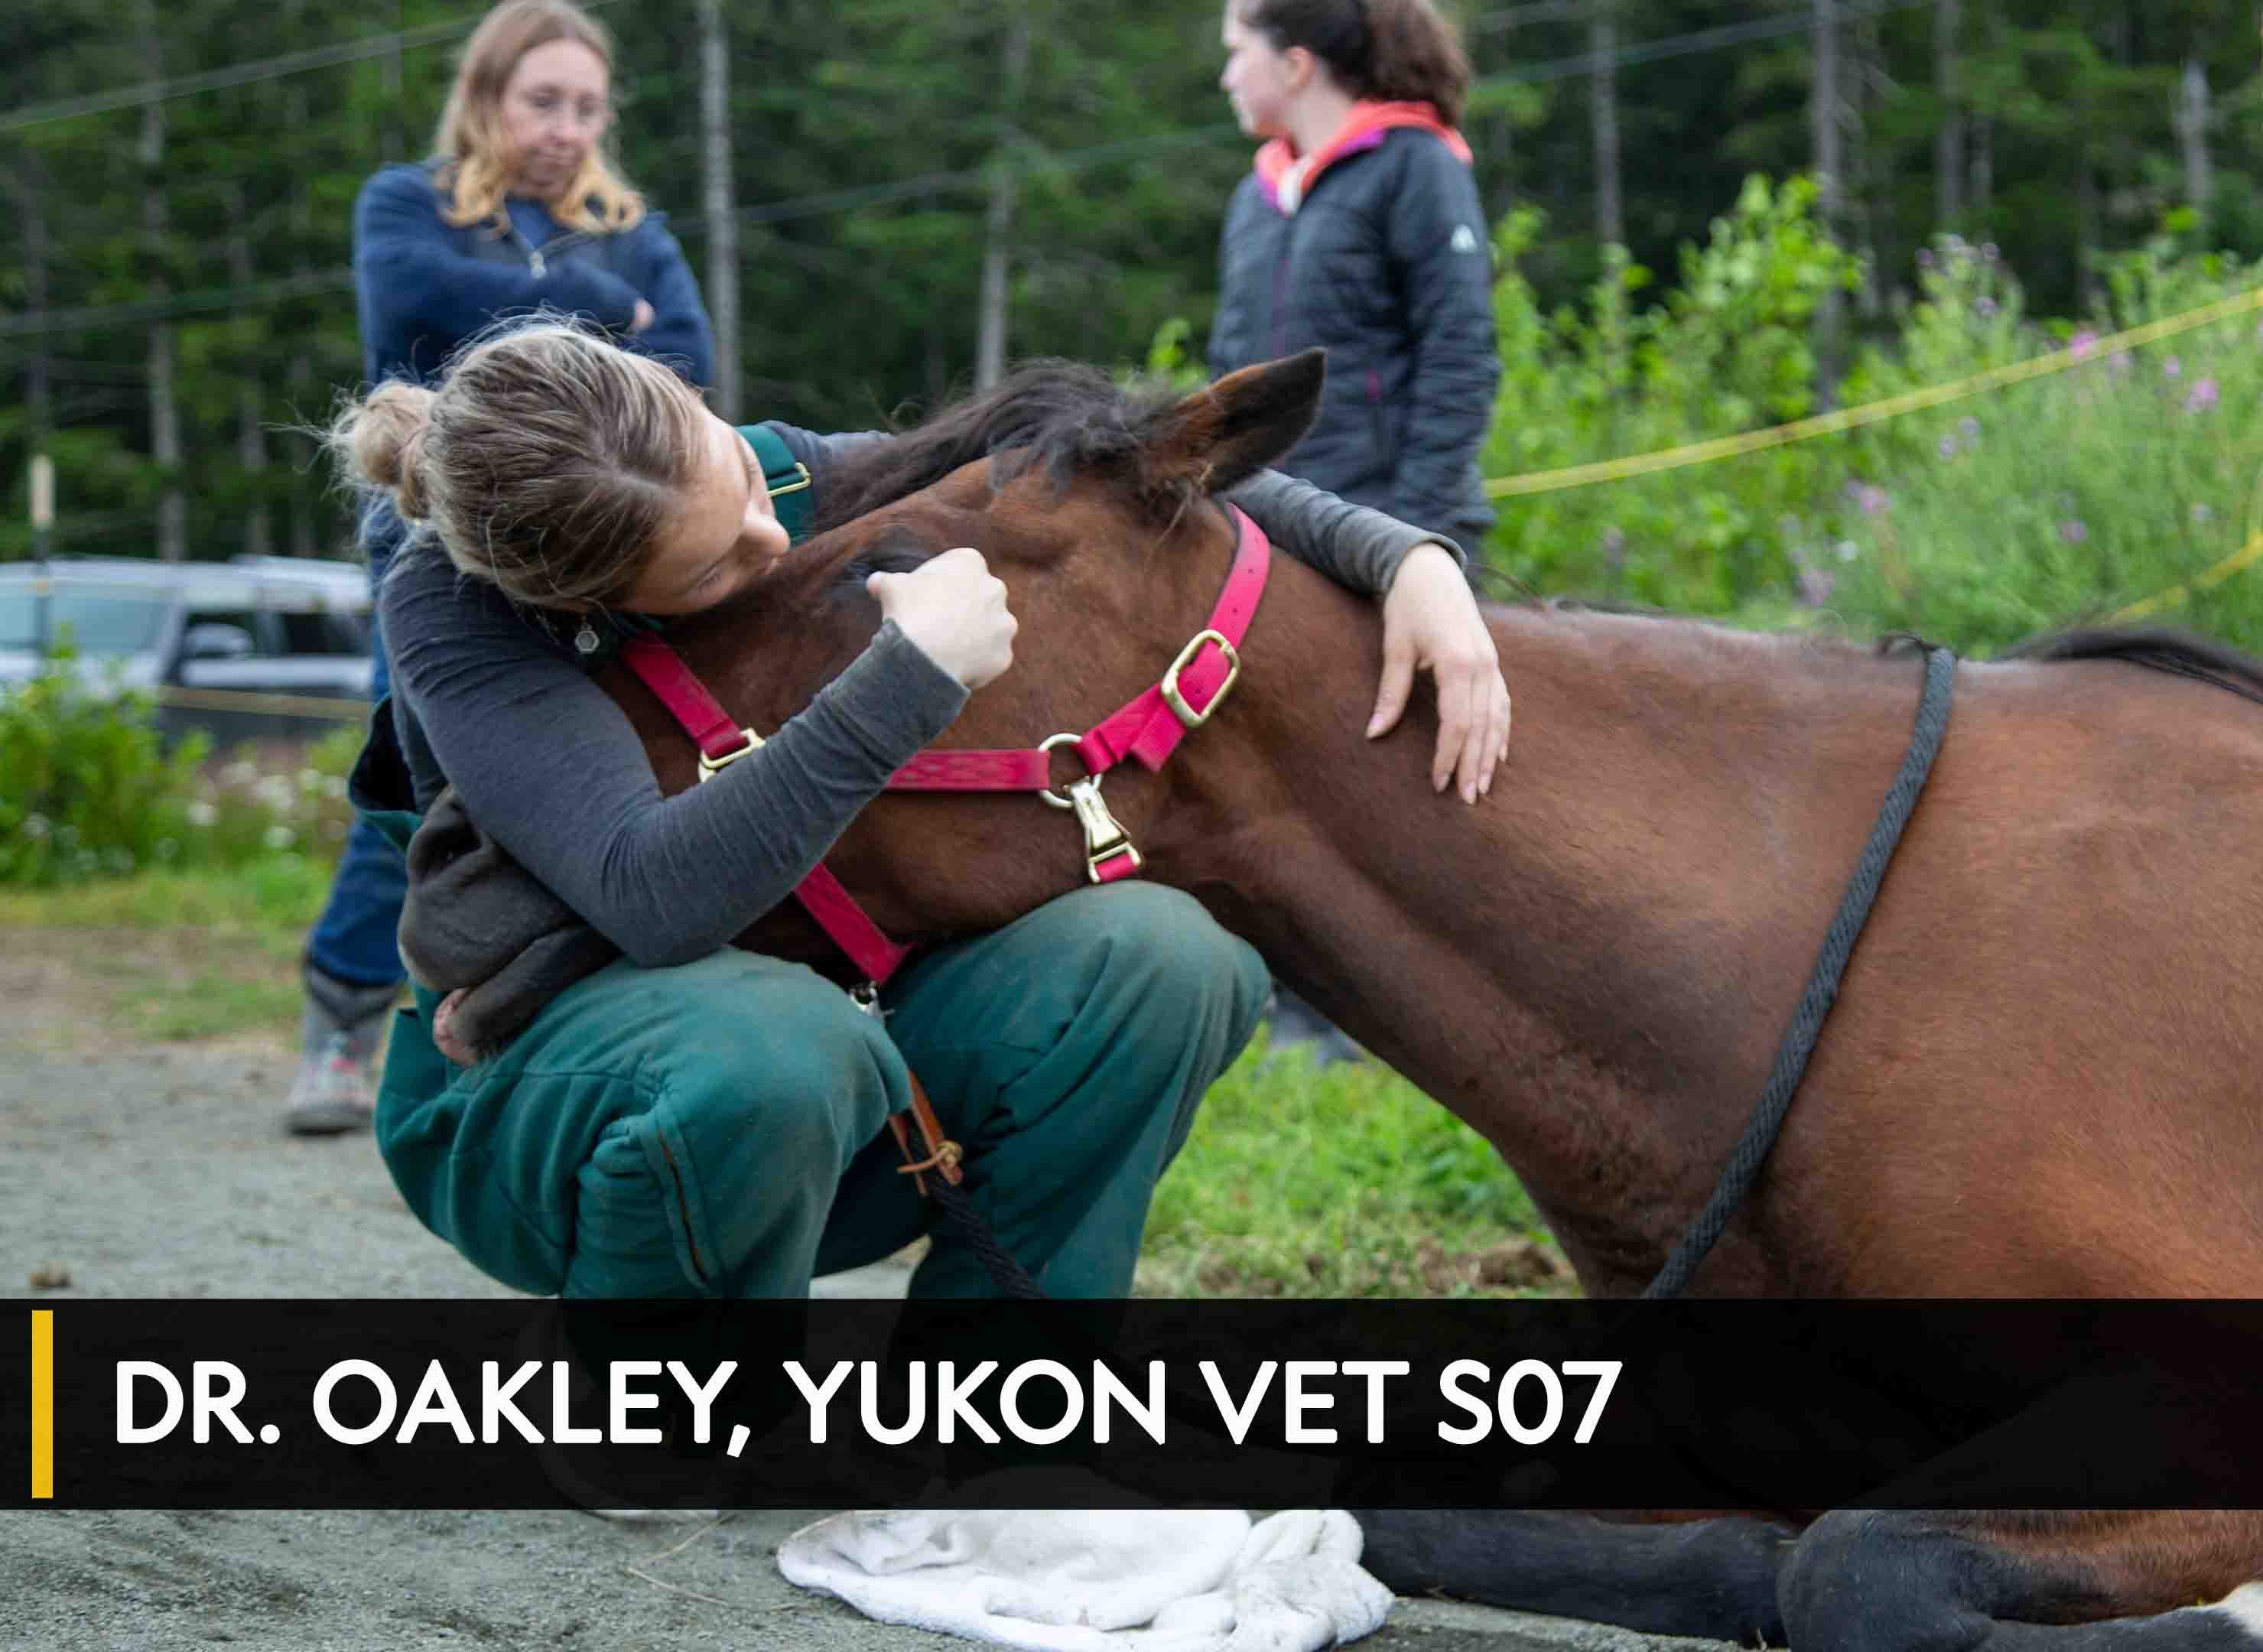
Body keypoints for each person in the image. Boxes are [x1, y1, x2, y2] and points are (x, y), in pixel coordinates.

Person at [325, 318, 1510, 1302]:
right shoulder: (456, 610)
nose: (769, 536)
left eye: (736, 478)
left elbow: (1113, 473)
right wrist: (909, 678)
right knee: (785, 1045)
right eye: (710, 574)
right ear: (574, 597)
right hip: (556, 1116)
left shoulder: (778, 472)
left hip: (836, 1075)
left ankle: (997, 1400)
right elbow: (654, 893)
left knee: (1162, 959)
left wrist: (1408, 560)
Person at [286, 0, 714, 1136]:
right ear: (485, 99)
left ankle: (546, 1022)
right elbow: (412, 303)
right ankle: (344, 1012)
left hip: (594, 542)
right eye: (542, 102)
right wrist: (597, 314)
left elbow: (691, 359)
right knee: (429, 786)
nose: (567, 128)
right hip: (430, 547)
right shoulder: (406, 205)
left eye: (585, 106)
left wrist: (581, 315)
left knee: (609, 776)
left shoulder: (634, 228)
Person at [1208, 0, 1499, 1062]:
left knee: (1390, 792)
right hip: (1268, 535)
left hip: (1391, 535)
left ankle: (1403, 1027)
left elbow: (1461, 356)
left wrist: (1411, 540)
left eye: (1236, 54)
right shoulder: (1259, 194)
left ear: (1292, 63)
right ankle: (1292, 1015)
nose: (1226, 78)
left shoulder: (1416, 167)